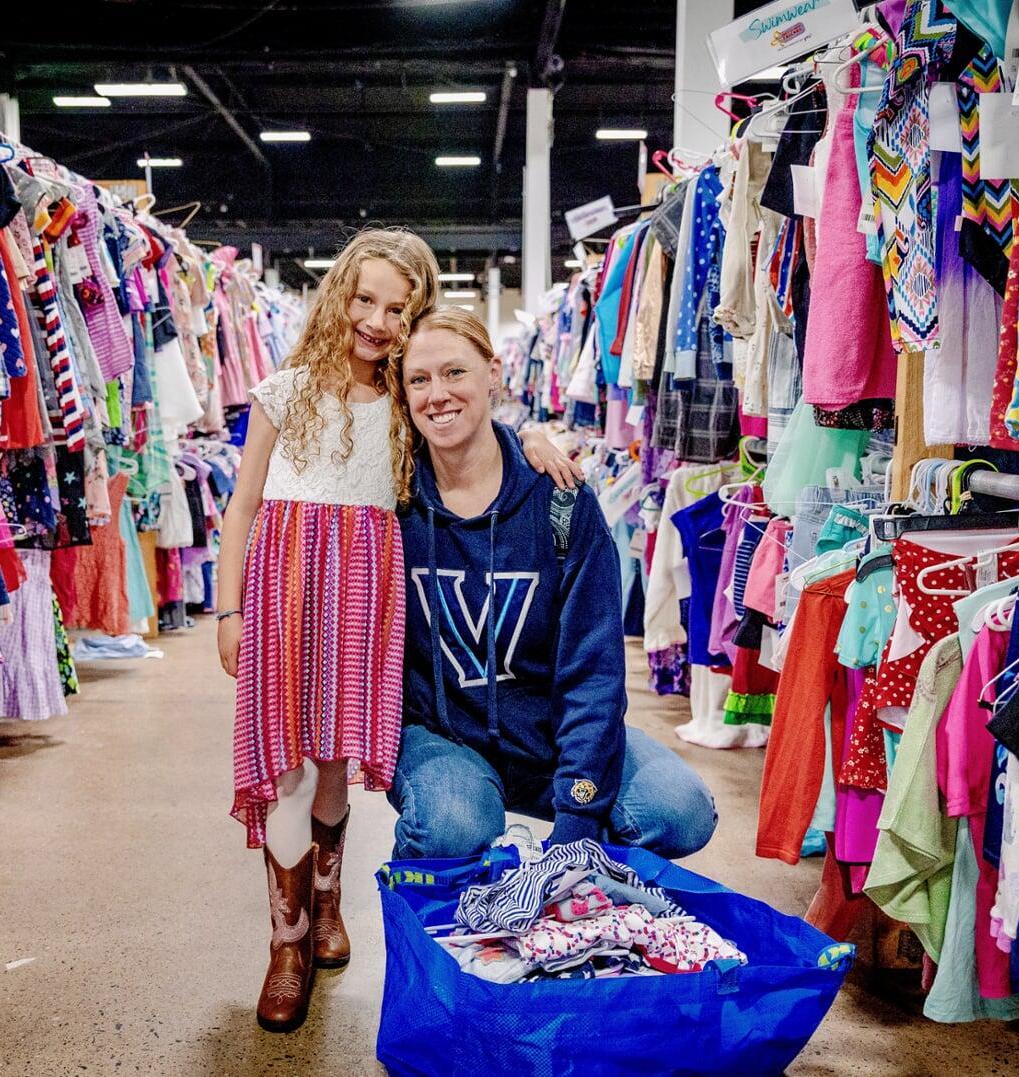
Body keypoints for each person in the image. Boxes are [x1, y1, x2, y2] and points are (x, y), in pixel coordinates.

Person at [215, 231, 579, 1033]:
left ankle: (329, 894)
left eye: (397, 307)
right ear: (340, 291)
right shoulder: (282, 392)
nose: (377, 320)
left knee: (337, 763)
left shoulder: (403, 407)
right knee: (287, 769)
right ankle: (288, 940)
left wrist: (532, 436)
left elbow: (467, 424)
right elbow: (241, 505)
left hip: (364, 598)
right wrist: (228, 606)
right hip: (284, 591)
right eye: (366, 298)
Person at [387, 308, 718, 865]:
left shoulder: (560, 500)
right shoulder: (391, 503)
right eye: (418, 380)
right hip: (442, 736)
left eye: (455, 373)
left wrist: (578, 817)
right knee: (452, 825)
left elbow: (594, 667)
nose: (437, 394)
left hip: (548, 734)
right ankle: (447, 901)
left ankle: (579, 899)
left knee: (677, 811)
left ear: (494, 373)